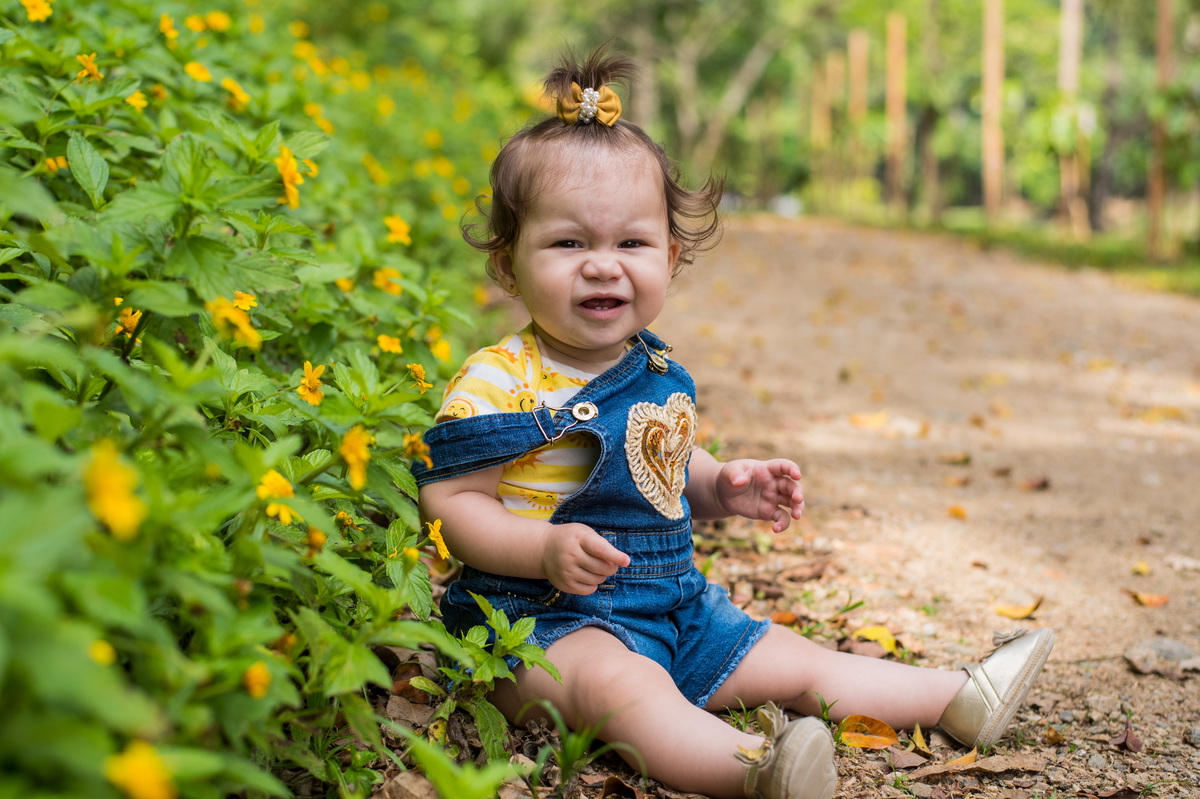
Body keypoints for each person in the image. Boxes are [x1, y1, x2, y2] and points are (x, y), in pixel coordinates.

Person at [414, 47, 1054, 799]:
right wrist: (542, 548)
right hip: (542, 628)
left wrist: (721, 483)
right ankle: (754, 770)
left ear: (672, 257)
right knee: (623, 690)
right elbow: (451, 504)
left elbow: (661, 462)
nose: (602, 265)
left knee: (791, 657)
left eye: (631, 242)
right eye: (568, 242)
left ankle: (955, 695)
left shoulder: (651, 367)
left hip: (673, 605)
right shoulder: (502, 378)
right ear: (506, 263)